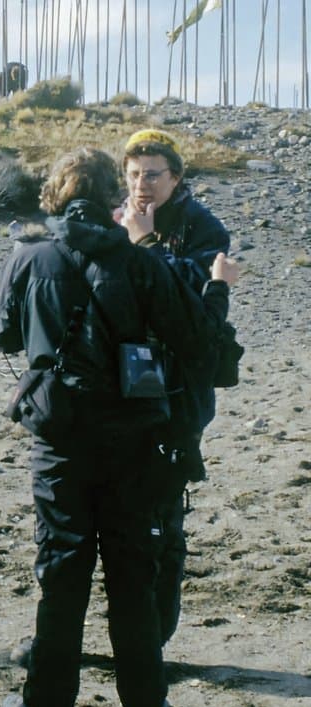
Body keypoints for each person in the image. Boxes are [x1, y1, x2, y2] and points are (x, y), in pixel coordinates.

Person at [0, 148, 238, 707]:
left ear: (53, 195)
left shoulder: (28, 255)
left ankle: (44, 706)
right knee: (132, 576)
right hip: (133, 441)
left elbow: (6, 337)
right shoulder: (142, 262)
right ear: (114, 198)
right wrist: (218, 289)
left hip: (59, 441)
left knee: (61, 570)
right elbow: (199, 343)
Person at [119, 128, 233, 648]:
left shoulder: (202, 226)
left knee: (163, 517)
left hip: (178, 391)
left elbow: (193, 295)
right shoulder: (114, 215)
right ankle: (127, 629)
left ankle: (154, 638)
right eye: (135, 174)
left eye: (154, 175)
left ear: (177, 178)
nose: (144, 185)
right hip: (120, 386)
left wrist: (143, 242)